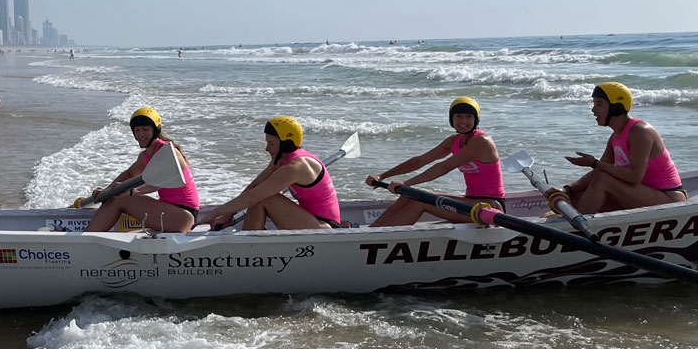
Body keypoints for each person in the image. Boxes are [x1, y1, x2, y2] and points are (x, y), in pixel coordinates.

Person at [546, 82, 687, 214]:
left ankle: (574, 228)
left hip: (669, 199)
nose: (593, 110)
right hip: (640, 194)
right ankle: (567, 221)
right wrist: (567, 189)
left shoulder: (640, 131)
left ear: (616, 107)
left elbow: (634, 177)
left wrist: (594, 163)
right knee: (576, 196)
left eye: (599, 104)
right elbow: (597, 171)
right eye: (594, 104)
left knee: (603, 179)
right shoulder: (615, 137)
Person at [365, 97, 505, 226]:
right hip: (470, 202)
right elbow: (419, 161)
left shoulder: (481, 142)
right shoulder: (453, 141)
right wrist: (382, 176)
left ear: (476, 119)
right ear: (451, 119)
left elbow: (444, 167)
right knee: (408, 196)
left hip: (488, 207)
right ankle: (370, 233)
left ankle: (378, 239)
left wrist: (406, 183)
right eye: (458, 116)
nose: (463, 121)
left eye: (468, 117)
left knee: (419, 202)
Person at [199, 116, 341, 230]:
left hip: (324, 227)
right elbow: (255, 185)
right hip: (310, 219)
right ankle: (250, 242)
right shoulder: (281, 160)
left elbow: (252, 197)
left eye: (271, 143)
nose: (267, 149)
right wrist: (228, 214)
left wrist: (215, 213)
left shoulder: (296, 166)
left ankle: (249, 249)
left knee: (264, 197)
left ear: (286, 144)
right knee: (262, 193)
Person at [85, 107, 200, 233]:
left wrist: (132, 192)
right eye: (137, 130)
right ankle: (89, 235)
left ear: (156, 130)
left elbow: (160, 183)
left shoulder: (170, 153)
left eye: (145, 129)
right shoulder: (145, 156)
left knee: (120, 199)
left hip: (183, 217)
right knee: (115, 197)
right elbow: (129, 174)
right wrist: (106, 191)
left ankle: (85, 240)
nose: (141, 134)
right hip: (170, 211)